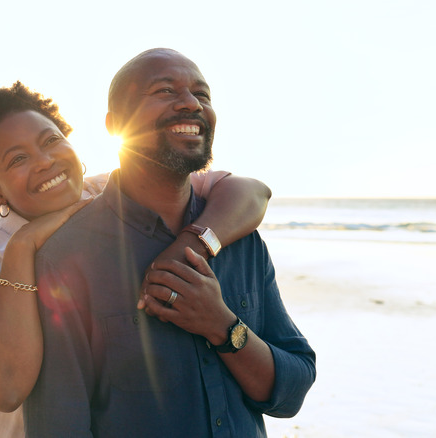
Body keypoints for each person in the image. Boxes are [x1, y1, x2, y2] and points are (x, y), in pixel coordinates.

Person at [0, 81, 272, 437]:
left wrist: (190, 246)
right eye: (18, 159)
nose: (44, 162)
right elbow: (5, 389)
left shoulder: (105, 192)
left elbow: (251, 192)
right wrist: (23, 246)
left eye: (50, 141)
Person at [22, 49, 316, 437]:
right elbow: (59, 426)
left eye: (203, 94)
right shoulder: (66, 258)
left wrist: (223, 326)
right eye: (164, 90)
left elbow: (292, 391)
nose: (191, 104)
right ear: (116, 125)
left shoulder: (242, 242)